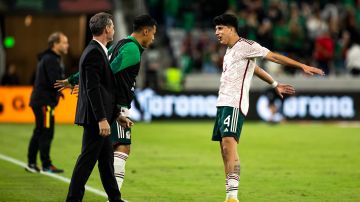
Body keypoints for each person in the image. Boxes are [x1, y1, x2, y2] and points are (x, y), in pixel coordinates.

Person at [212, 14, 324, 202]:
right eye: (216, 29)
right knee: (225, 149)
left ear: (231, 29)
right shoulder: (230, 51)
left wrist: (301, 65)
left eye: (220, 28)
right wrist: (274, 84)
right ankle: (231, 195)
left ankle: (232, 197)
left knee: (229, 145)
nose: (217, 33)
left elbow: (272, 57)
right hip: (222, 103)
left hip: (234, 103)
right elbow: (254, 69)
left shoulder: (246, 46)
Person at [56, 15, 157, 192]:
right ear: (146, 31)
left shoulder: (120, 44)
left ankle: (113, 196)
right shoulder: (132, 49)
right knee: (120, 147)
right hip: (116, 105)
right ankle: (111, 196)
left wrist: (75, 80)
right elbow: (108, 71)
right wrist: (87, 83)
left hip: (112, 105)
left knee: (106, 155)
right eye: (153, 34)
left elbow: (101, 67)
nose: (153, 38)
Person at [66, 12, 123, 202]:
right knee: (86, 161)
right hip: (95, 119)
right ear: (106, 29)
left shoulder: (96, 51)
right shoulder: (93, 53)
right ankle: (73, 199)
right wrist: (102, 119)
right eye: (112, 26)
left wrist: (115, 114)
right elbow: (92, 89)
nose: (114, 29)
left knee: (106, 163)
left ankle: (115, 198)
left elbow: (99, 88)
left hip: (101, 117)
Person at [25, 32, 69, 173]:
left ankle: (32, 163)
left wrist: (59, 92)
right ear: (55, 44)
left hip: (42, 100)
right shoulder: (51, 59)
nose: (67, 45)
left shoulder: (50, 58)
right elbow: (54, 81)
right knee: (46, 132)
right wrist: (71, 85)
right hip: (44, 102)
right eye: (64, 42)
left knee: (40, 131)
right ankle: (45, 165)